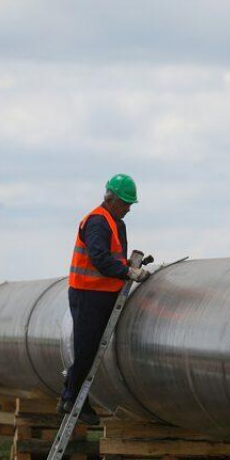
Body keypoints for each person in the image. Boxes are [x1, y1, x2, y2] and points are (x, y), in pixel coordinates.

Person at [60, 174, 150, 425]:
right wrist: (127, 272)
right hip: (88, 294)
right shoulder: (98, 222)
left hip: (102, 293)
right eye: (125, 203)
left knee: (90, 349)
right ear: (110, 199)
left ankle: (71, 395)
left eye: (130, 204)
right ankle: (72, 398)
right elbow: (100, 259)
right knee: (87, 349)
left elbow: (114, 256)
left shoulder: (115, 221)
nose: (128, 209)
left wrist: (127, 267)